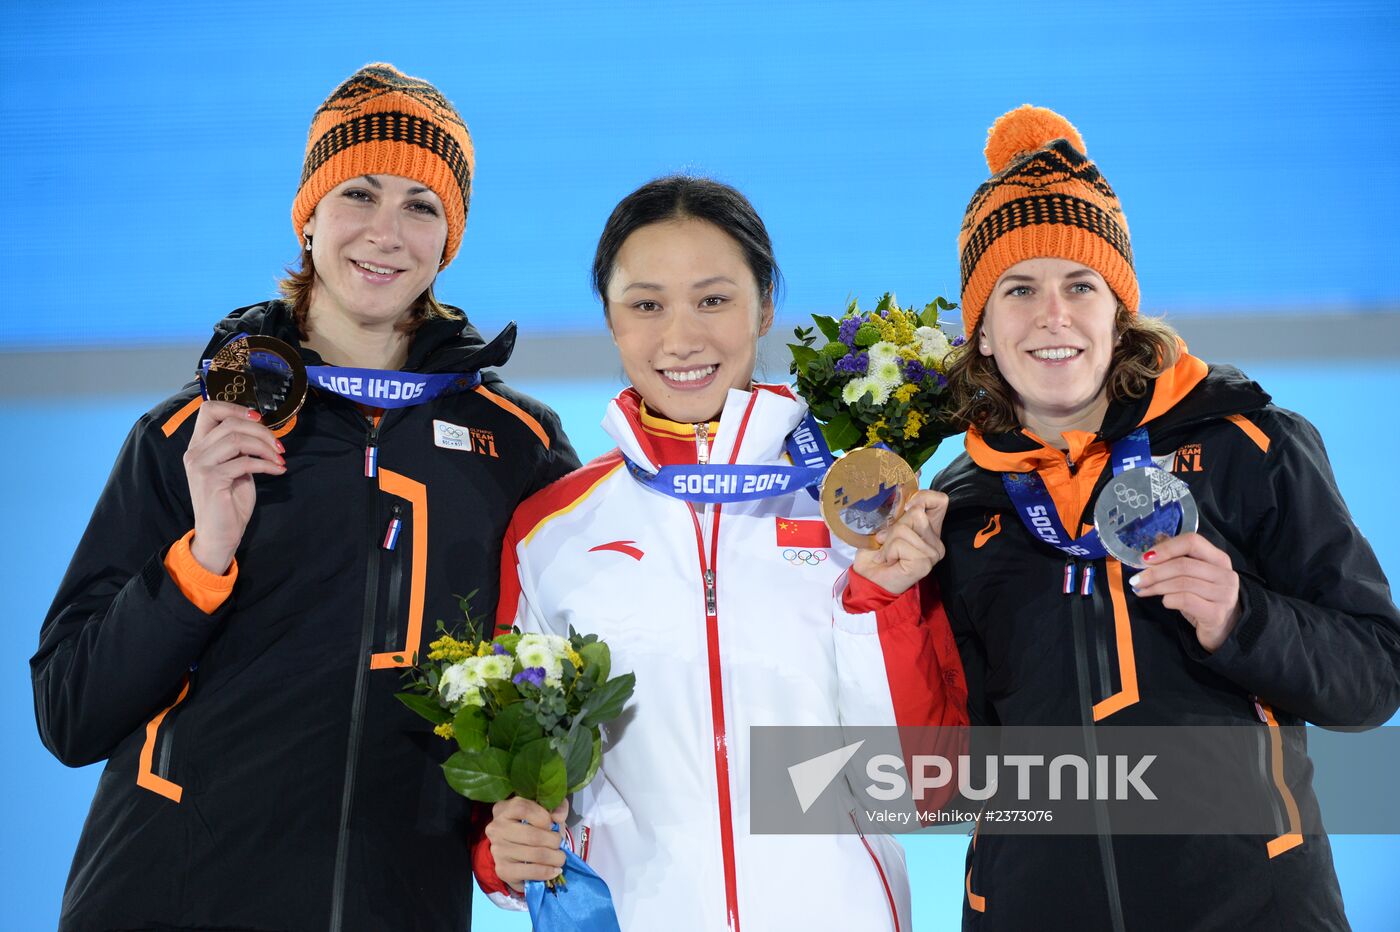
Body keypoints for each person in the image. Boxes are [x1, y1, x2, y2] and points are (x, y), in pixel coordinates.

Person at [30, 63, 578, 932]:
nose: (386, 233)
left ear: (450, 238)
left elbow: (550, 691)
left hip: (397, 908)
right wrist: (202, 557)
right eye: (358, 192)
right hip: (166, 900)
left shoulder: (517, 446)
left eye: (421, 205)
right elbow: (69, 713)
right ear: (310, 216)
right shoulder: (191, 433)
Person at [933, 105, 1400, 931]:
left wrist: (1243, 618)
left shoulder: (1247, 443)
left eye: (1082, 285)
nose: (1054, 315)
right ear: (982, 325)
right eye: (1019, 289)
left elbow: (1374, 676)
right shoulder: (960, 507)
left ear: (1120, 311)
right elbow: (944, 764)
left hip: (1255, 910)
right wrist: (876, 606)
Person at [470, 175, 968, 930]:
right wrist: (504, 849)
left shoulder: (860, 508)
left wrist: (880, 597)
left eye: (713, 299)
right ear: (609, 317)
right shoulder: (552, 531)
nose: (681, 339)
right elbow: (519, 784)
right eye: (646, 304)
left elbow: (926, 788)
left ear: (765, 304)